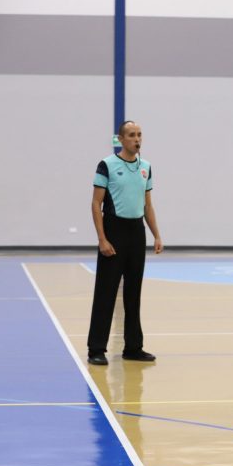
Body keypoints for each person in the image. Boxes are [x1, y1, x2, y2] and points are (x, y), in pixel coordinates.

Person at [87, 121, 163, 366]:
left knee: (133, 293)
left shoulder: (146, 167)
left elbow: (147, 205)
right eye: (131, 135)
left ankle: (133, 347)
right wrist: (102, 239)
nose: (137, 139)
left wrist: (156, 235)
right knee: (106, 292)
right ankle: (96, 348)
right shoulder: (107, 165)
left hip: (136, 233)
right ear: (120, 139)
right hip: (114, 231)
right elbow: (96, 204)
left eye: (139, 134)